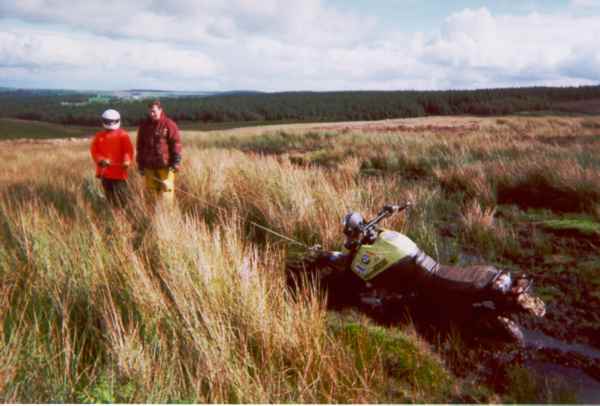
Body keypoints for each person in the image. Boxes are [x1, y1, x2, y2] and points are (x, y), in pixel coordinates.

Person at [136, 100, 182, 204]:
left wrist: (176, 160)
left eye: (154, 111)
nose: (152, 114)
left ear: (160, 110)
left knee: (167, 193)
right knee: (151, 195)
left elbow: (176, 143)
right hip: (149, 167)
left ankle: (167, 215)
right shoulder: (144, 126)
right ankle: (152, 216)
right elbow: (140, 147)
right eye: (150, 111)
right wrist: (140, 164)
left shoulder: (169, 124)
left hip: (165, 166)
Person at [90, 109, 134, 207]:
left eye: (112, 121)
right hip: (105, 173)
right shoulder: (99, 136)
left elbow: (128, 150)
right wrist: (100, 160)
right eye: (108, 121)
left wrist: (127, 160)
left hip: (119, 174)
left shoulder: (123, 135)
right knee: (109, 196)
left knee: (121, 197)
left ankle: (121, 215)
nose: (110, 124)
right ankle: (113, 214)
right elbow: (94, 151)